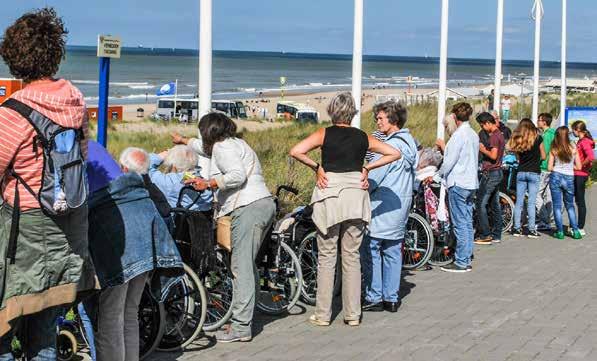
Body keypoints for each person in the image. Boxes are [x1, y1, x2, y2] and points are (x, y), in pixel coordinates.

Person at [0, 8, 95, 359]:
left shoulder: (13, 111)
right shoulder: (75, 102)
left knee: (3, 330)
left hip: (23, 237)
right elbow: (81, 158)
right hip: (67, 229)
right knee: (42, 332)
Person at [289, 92, 401, 326]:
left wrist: (317, 167)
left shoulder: (324, 133)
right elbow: (394, 153)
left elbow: (296, 150)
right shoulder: (363, 137)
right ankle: (352, 314)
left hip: (330, 194)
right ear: (352, 113)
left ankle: (323, 314)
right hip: (355, 197)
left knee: (327, 257)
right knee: (351, 257)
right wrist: (367, 168)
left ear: (332, 111)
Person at [174, 112, 275, 343]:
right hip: (261, 203)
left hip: (248, 206)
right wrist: (183, 141)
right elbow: (203, 148)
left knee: (241, 267)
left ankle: (241, 327)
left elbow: (237, 175)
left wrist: (208, 183)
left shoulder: (222, 148)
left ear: (208, 131)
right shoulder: (234, 143)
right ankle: (245, 318)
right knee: (247, 265)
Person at [86, 144, 183, 361]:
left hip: (120, 249)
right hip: (145, 247)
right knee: (130, 312)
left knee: (110, 318)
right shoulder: (95, 148)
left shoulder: (75, 151)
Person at [361, 101, 418, 313]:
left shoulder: (389, 147)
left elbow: (374, 178)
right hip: (401, 205)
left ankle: (374, 295)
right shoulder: (411, 143)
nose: (377, 122)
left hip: (382, 206)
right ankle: (391, 297)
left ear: (393, 120)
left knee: (372, 249)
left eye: (380, 118)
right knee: (394, 251)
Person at [434, 102, 479, 273]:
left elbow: (449, 161)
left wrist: (437, 175)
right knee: (467, 222)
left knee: (460, 223)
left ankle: (461, 260)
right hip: (471, 182)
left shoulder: (458, 136)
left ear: (454, 117)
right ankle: (466, 255)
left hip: (459, 183)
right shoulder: (473, 134)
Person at [507, 119, 545, 238]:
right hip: (534, 172)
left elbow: (516, 156)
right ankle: (531, 229)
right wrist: (535, 161)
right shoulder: (538, 138)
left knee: (519, 201)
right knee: (531, 202)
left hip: (521, 172)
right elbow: (543, 156)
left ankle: (517, 228)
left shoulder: (519, 140)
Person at [147, 145, 212, 211]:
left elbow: (145, 166)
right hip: (204, 219)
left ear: (173, 165)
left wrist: (161, 155)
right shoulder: (205, 182)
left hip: (177, 220)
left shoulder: (169, 181)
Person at [474, 112, 505, 245]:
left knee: (480, 203)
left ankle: (485, 234)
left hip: (491, 173)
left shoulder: (493, 137)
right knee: (494, 204)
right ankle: (497, 233)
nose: (482, 128)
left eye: (482, 125)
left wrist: (482, 149)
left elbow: (493, 155)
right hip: (497, 172)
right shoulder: (500, 135)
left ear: (487, 123)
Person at [548, 126, 583, 240]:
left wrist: (558, 167)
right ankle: (576, 231)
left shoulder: (554, 147)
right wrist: (569, 167)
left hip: (556, 176)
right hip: (569, 178)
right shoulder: (573, 146)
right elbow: (579, 166)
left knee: (557, 206)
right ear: (567, 135)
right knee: (570, 206)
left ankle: (560, 232)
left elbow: (549, 167)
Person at [571, 121, 594, 236]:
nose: (572, 132)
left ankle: (580, 226)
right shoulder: (581, 141)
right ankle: (576, 224)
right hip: (578, 174)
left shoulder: (584, 141)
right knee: (578, 200)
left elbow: (590, 157)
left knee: (580, 201)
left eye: (573, 130)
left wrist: (581, 166)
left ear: (577, 130)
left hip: (580, 174)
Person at [536, 113, 556, 231]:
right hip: (551, 168)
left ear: (544, 122)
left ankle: (545, 219)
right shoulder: (553, 133)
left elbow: (545, 153)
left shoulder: (547, 135)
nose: (537, 122)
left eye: (539, 120)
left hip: (544, 167)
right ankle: (550, 218)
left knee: (537, 194)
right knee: (548, 195)